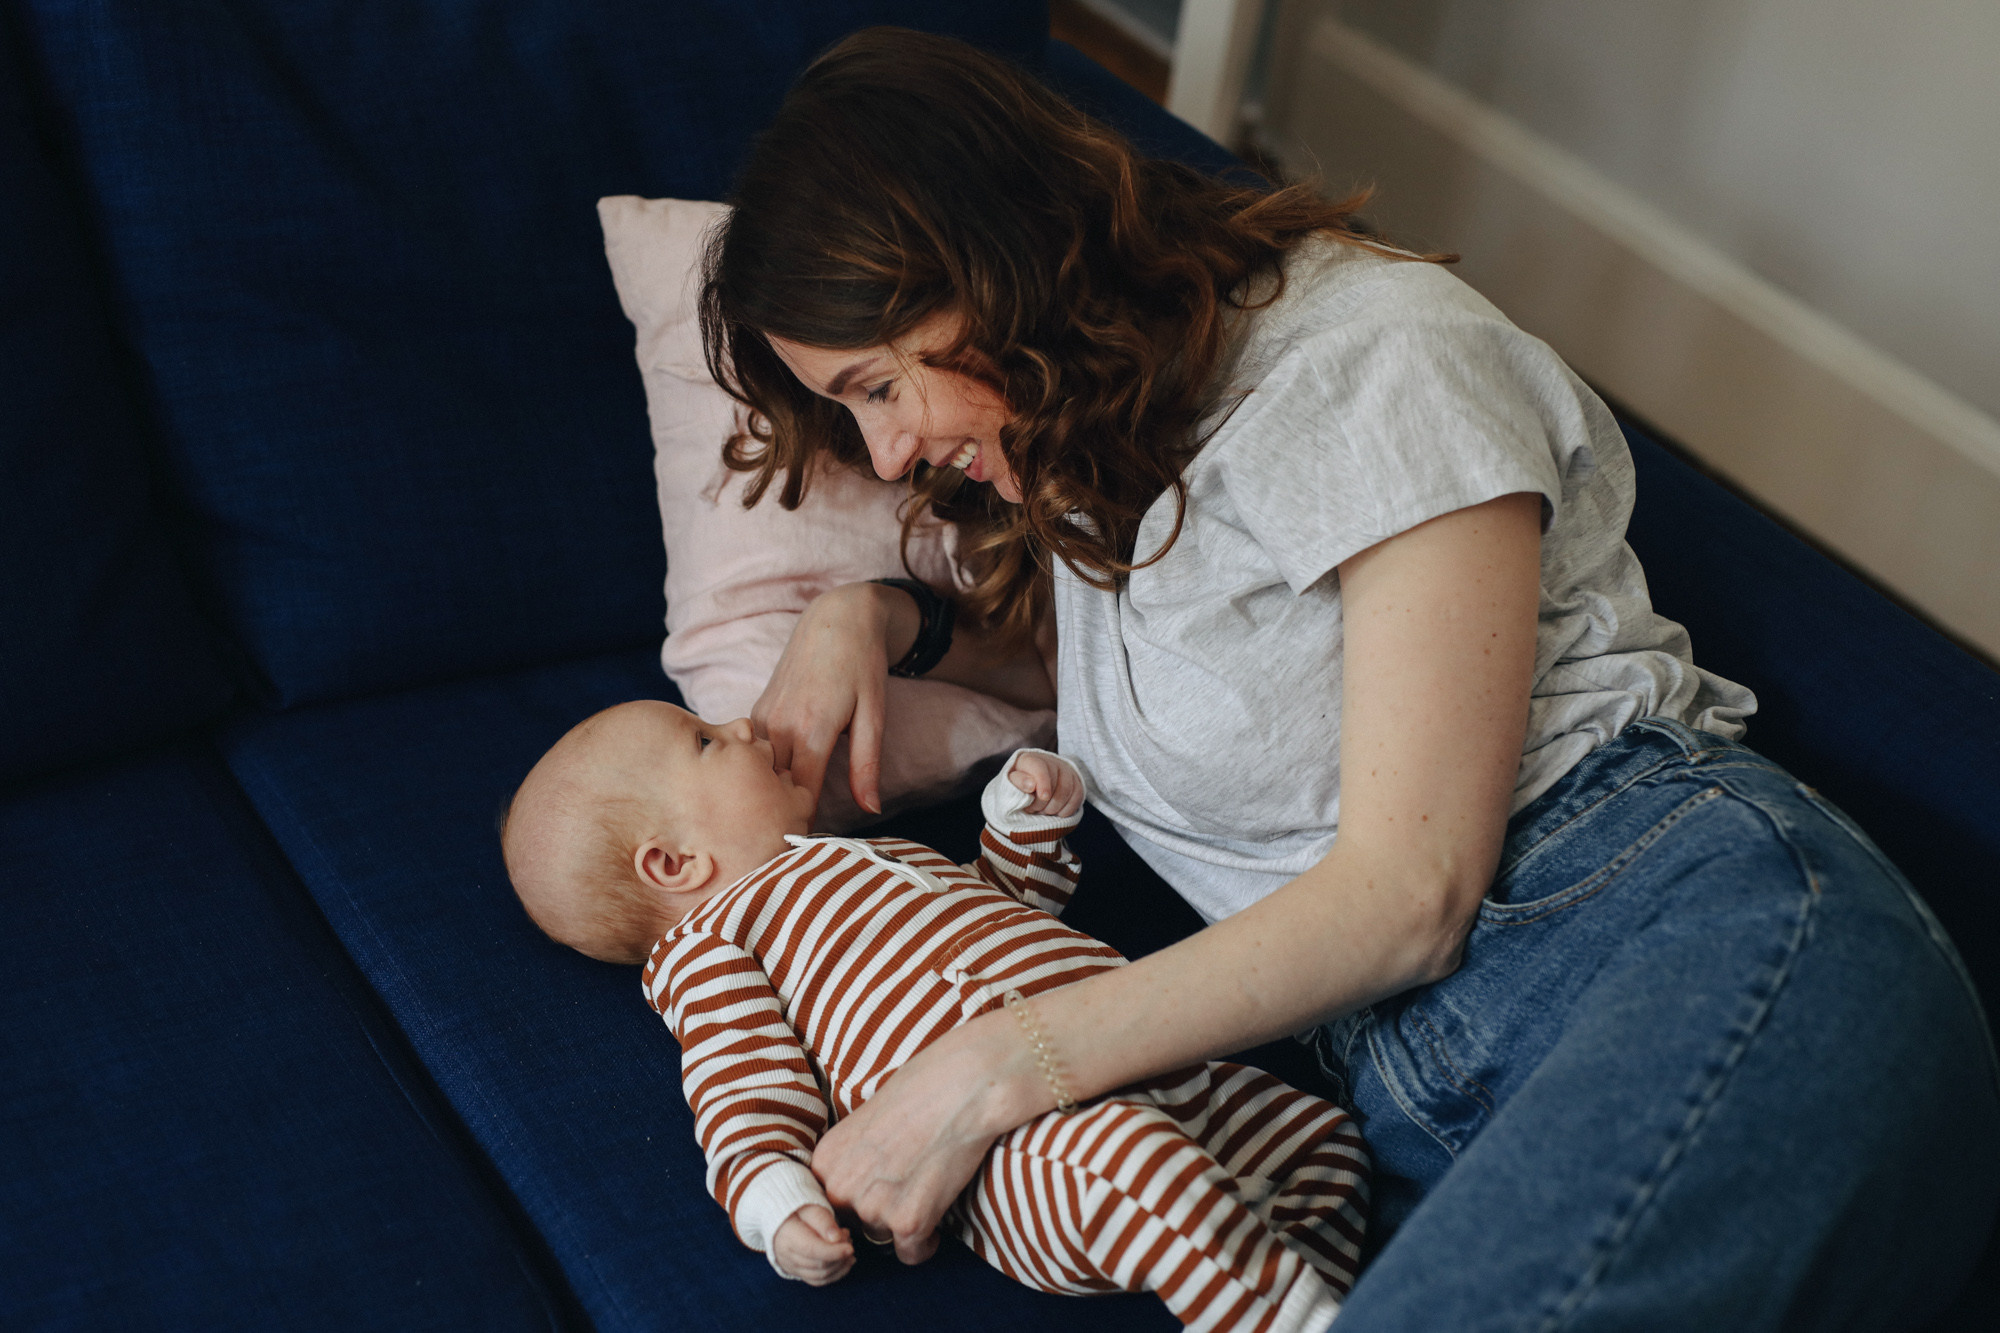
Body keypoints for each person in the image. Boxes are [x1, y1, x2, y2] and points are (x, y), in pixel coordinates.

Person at [696, 25, 2000, 1331]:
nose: (885, 451)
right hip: (1430, 1089)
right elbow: (1175, 652)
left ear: (995, 267)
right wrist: (877, 616)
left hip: (1675, 930)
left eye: (878, 386)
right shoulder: (1100, 433)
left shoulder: (1369, 359)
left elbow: (1410, 894)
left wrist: (988, 1070)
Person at [501, 699, 1371, 1332]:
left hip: (1139, 1052)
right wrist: (772, 1194)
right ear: (675, 863)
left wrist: (1024, 832)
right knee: (1135, 1164)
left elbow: (1006, 914)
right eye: (703, 739)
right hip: (1013, 1152)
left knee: (1322, 1140)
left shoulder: (865, 855)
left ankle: (1320, 1285)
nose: (738, 722)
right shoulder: (713, 945)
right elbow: (737, 1081)